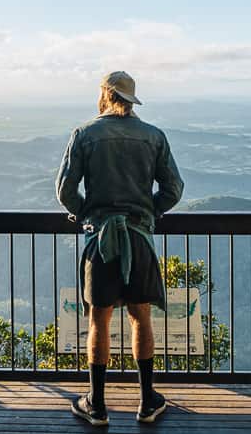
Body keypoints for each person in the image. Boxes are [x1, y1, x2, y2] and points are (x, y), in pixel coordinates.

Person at [56, 71, 184, 426]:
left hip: (101, 240)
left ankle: (96, 404)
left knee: (99, 319)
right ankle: (147, 400)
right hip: (138, 238)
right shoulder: (154, 137)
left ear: (105, 94)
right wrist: (148, 212)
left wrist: (88, 214)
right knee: (141, 316)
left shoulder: (84, 135)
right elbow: (173, 189)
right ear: (130, 99)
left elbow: (65, 191)